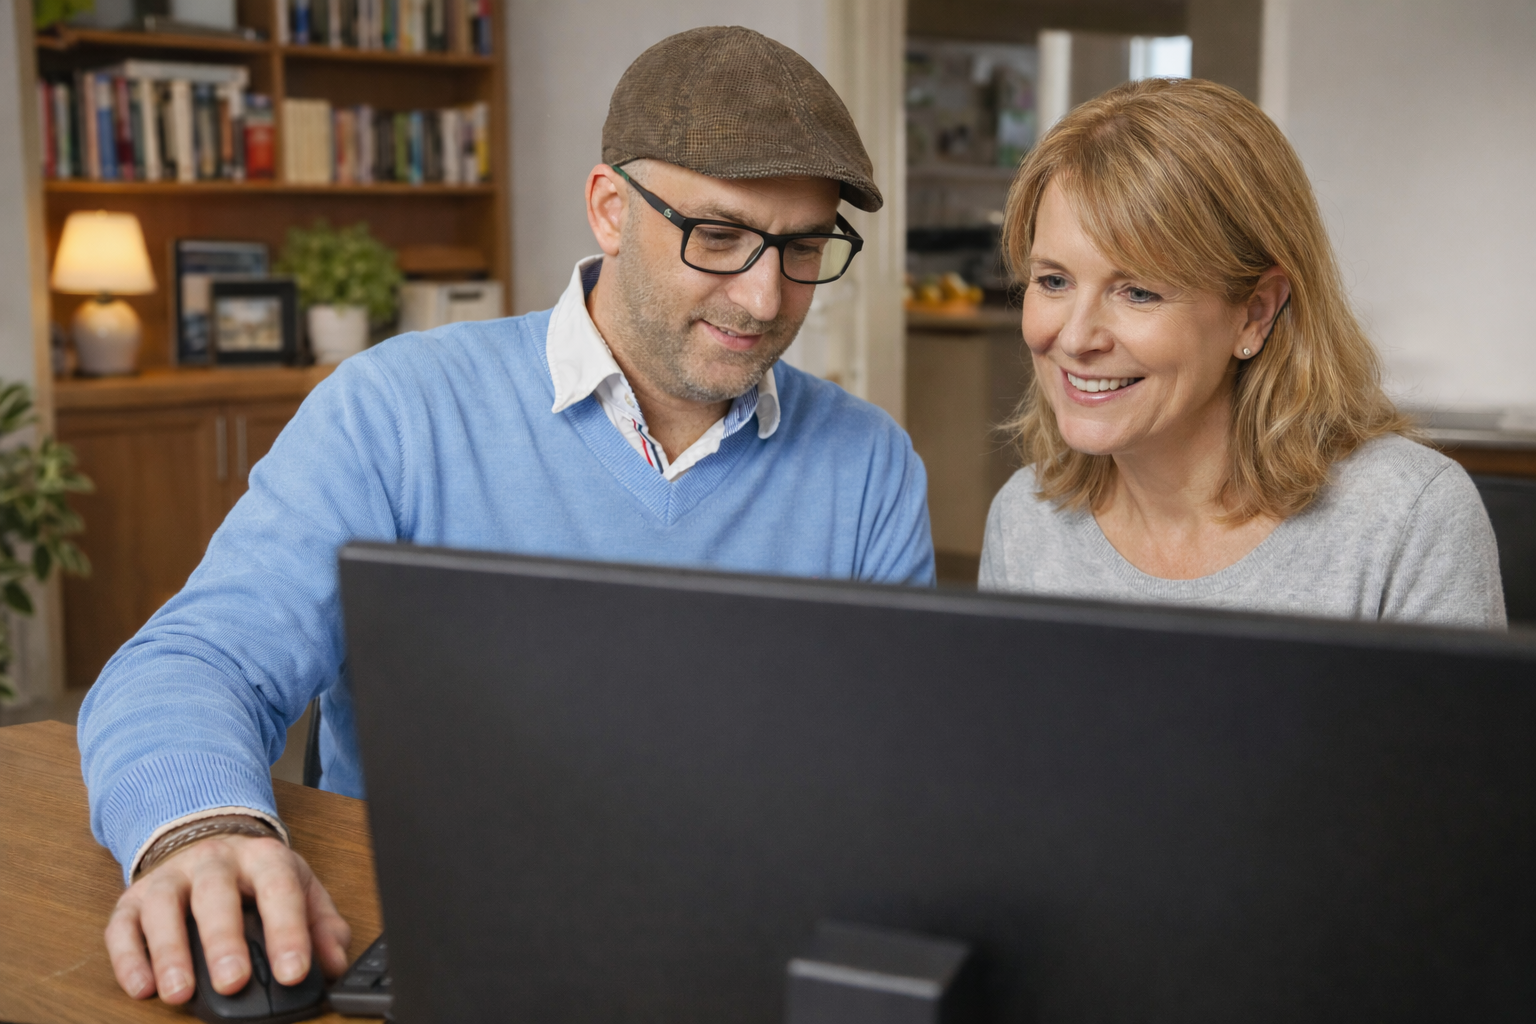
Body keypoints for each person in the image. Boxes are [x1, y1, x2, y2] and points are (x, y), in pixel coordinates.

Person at [80, 26, 934, 1008]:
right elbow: (199, 658)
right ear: (610, 210)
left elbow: (894, 785)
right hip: (432, 944)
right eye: (719, 236)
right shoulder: (397, 407)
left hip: (739, 953)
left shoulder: (870, 465)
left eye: (804, 247)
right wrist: (203, 829)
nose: (764, 294)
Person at [979, 78, 1503, 626]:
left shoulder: (1409, 520)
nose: (1075, 338)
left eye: (1138, 292)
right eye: (1054, 281)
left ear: (1256, 311)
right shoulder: (1024, 521)